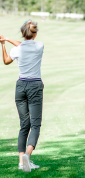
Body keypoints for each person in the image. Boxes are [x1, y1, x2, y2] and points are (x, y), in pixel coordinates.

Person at [0, 20, 44, 172]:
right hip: (34, 86)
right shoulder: (40, 46)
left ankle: (21, 162)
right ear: (35, 33)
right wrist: (7, 40)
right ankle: (27, 156)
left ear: (23, 33)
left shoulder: (17, 49)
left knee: (24, 125)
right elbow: (22, 44)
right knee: (36, 125)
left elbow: (6, 61)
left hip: (20, 87)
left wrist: (4, 43)